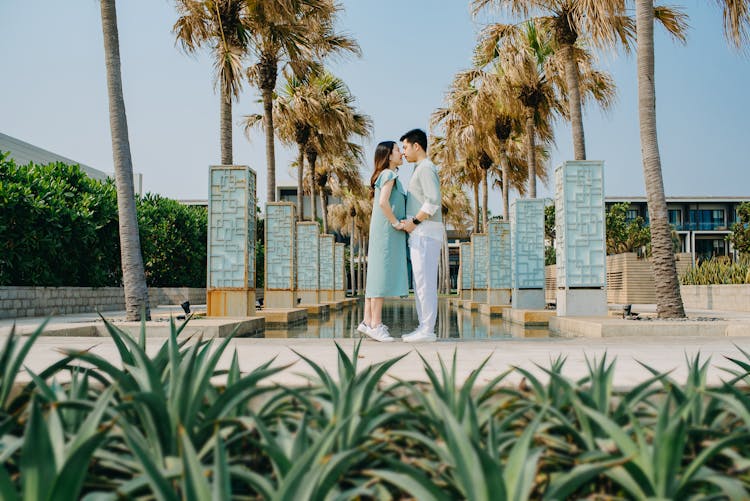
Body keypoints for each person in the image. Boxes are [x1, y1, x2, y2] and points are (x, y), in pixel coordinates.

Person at [357, 141, 408, 342]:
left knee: (376, 274)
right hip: (387, 230)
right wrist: (396, 222)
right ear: (388, 156)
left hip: (381, 230)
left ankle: (367, 322)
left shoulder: (386, 175)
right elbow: (383, 202)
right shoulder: (389, 174)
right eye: (397, 150)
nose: (401, 153)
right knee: (380, 276)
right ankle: (375, 324)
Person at [399, 129, 443, 343]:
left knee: (424, 282)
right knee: (420, 282)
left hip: (425, 232)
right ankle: (424, 327)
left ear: (417, 146)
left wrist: (414, 222)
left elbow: (433, 200)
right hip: (421, 233)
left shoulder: (426, 168)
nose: (403, 152)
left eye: (405, 147)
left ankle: (427, 330)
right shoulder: (420, 168)